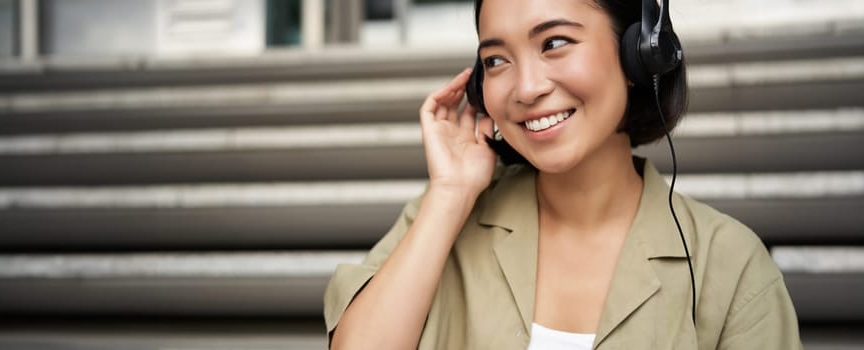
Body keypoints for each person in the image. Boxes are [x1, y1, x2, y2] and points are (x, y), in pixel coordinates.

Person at [324, 0, 803, 349]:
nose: (527, 88)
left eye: (555, 43)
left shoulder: (731, 265)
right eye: (496, 60)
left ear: (639, 54)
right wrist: (451, 192)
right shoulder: (439, 223)